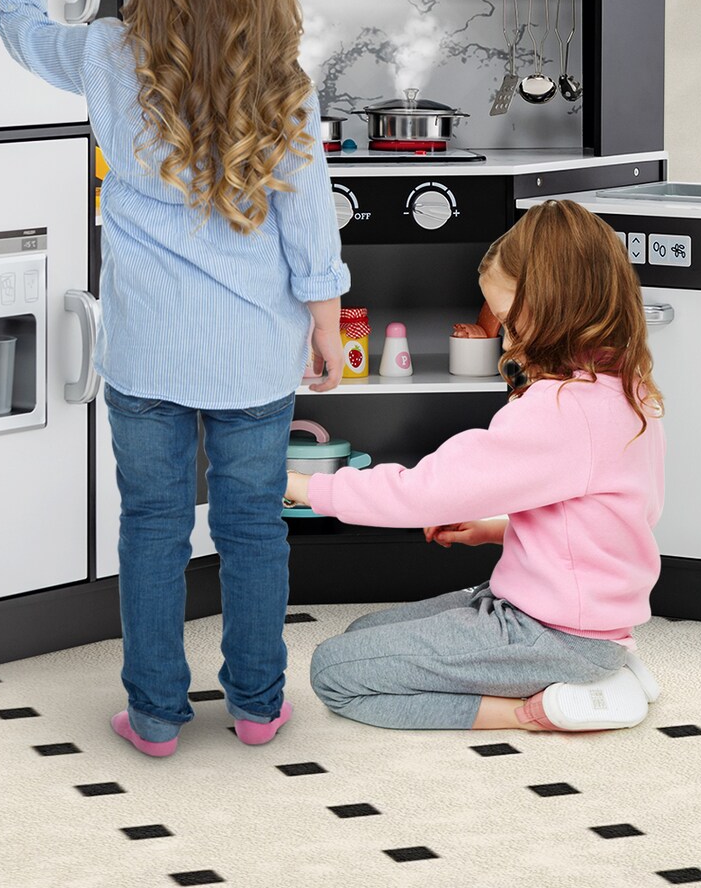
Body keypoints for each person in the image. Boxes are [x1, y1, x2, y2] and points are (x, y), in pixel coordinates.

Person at [0, 0, 350, 757]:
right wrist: (326, 326)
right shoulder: (286, 84)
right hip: (253, 356)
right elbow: (310, 224)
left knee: (152, 528)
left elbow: (28, 37)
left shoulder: (111, 54)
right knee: (253, 529)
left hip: (146, 355)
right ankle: (257, 706)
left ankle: (153, 715)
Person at [285, 200, 665, 733]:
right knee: (362, 634)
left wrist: (304, 486)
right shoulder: (625, 390)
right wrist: (497, 529)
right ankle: (604, 670)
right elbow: (610, 524)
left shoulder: (560, 409)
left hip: (552, 635)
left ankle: (540, 711)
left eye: (509, 321)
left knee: (335, 672)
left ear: (553, 305)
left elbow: (422, 493)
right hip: (573, 623)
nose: (505, 341)